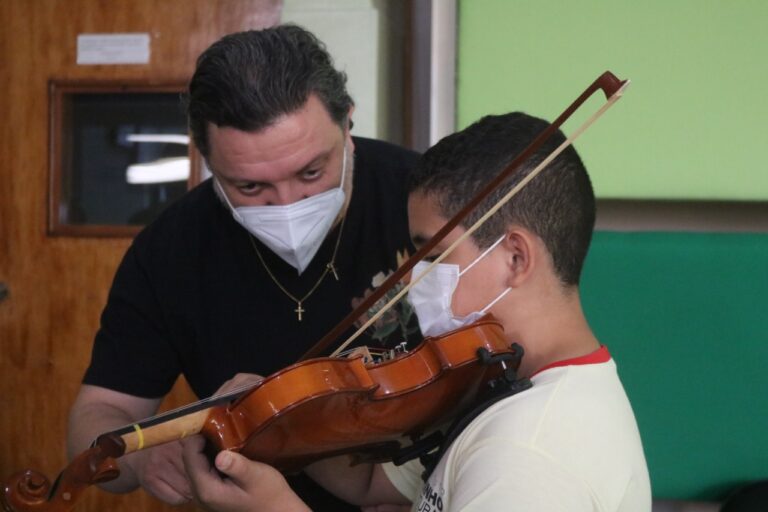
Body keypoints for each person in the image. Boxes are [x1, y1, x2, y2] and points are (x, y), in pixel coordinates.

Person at [181, 111, 652, 511]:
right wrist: (277, 421)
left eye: (433, 254)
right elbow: (372, 483)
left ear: (515, 258)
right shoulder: (499, 387)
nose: (412, 277)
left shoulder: (527, 452)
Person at [67, 25, 420, 511]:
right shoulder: (169, 250)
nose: (287, 203)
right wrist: (141, 460)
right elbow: (98, 415)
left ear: (348, 126)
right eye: (250, 188)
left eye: (311, 172)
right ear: (206, 160)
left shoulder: (427, 202)